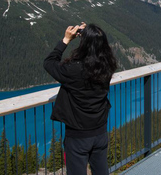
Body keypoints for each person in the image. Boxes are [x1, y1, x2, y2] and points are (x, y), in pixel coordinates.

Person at [44, 23, 117, 175]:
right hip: (100, 131)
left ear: (84, 45)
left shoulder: (74, 69)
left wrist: (65, 40)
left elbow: (49, 63)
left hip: (78, 136)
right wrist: (88, 33)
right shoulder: (108, 65)